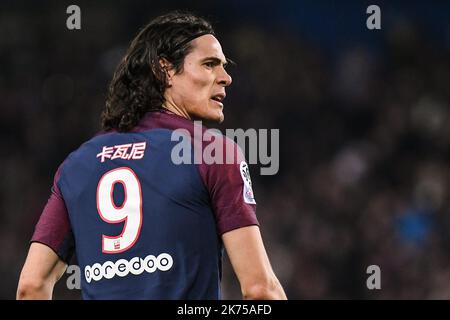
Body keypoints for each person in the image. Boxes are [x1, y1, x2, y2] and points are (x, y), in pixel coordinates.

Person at [17, 11, 287, 300]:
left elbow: (30, 287)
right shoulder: (213, 152)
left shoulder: (76, 165)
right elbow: (260, 290)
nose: (226, 78)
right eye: (210, 65)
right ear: (165, 70)